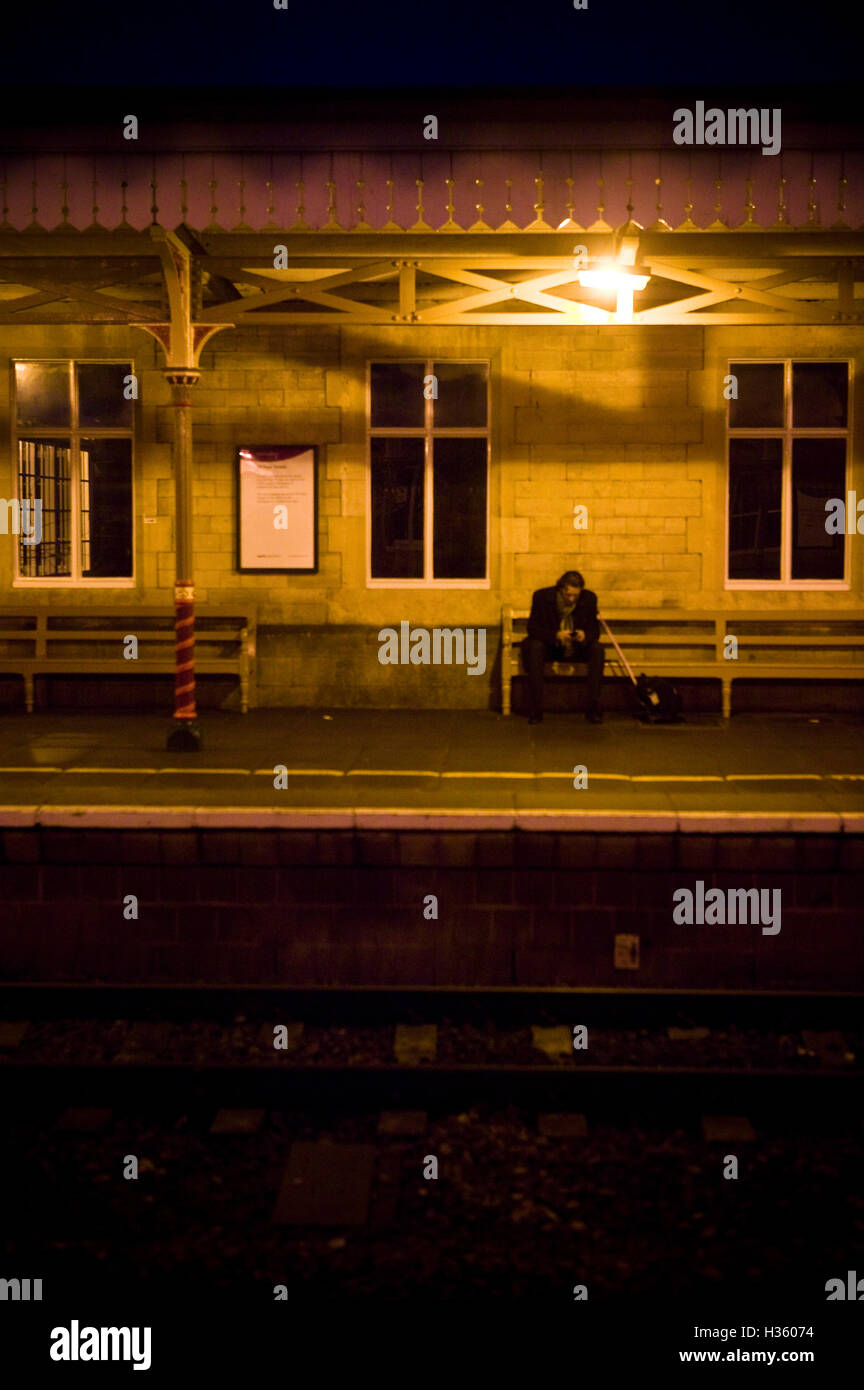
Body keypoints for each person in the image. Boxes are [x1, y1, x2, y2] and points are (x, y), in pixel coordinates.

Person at [521, 570, 604, 724]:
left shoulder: (589, 599)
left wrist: (584, 635)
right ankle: (535, 708)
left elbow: (595, 631)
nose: (572, 599)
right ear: (560, 589)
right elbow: (532, 629)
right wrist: (555, 635)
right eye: (568, 595)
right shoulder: (542, 597)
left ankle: (593, 707)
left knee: (598, 649)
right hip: (551, 646)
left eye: (575, 596)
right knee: (535, 647)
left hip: (576, 647)